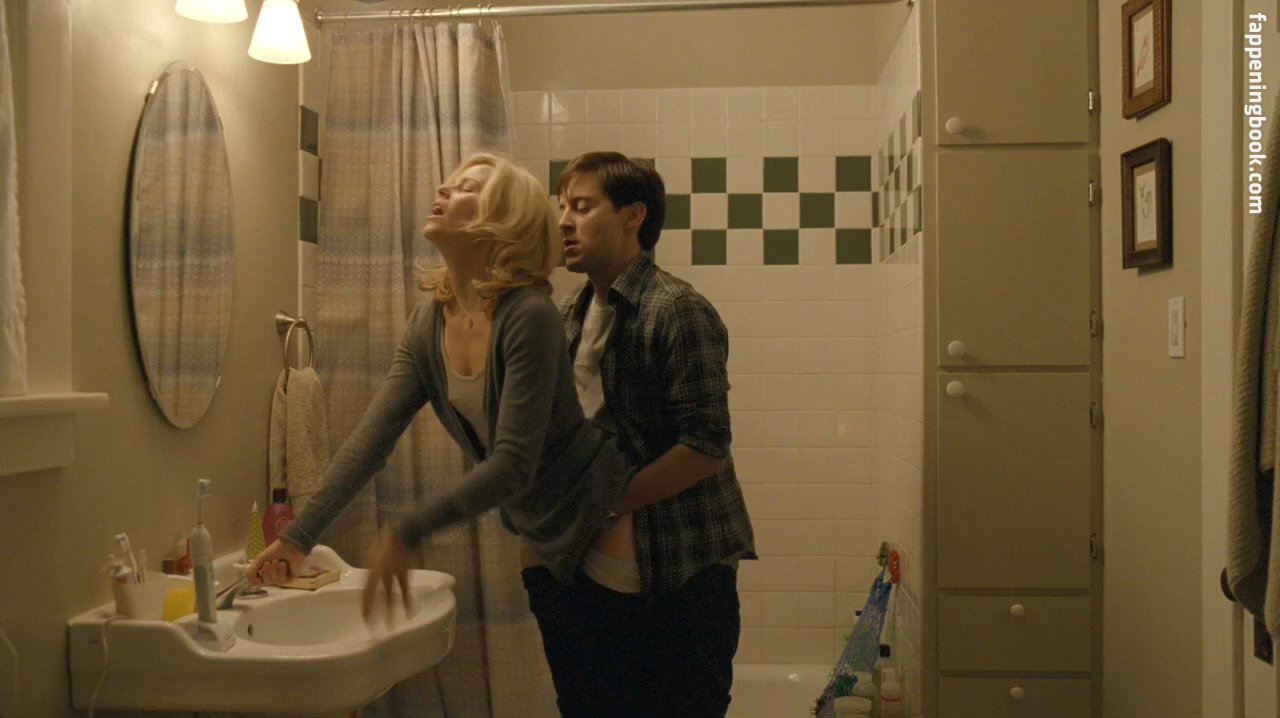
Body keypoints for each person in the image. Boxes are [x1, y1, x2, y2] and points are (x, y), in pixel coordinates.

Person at [246, 153, 649, 631]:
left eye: (467, 190)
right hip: (538, 529)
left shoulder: (529, 315)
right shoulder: (429, 323)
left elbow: (513, 463)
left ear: (504, 223)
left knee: (614, 676)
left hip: (602, 518)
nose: (443, 191)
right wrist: (298, 538)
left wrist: (407, 532)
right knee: (571, 677)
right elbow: (369, 442)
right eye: (450, 184)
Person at [524, 151, 756, 718]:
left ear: (633, 216)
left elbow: (705, 447)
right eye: (562, 207)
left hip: (679, 579)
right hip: (585, 581)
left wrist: (605, 503)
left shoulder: (676, 310)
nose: (563, 222)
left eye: (582, 207)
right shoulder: (570, 313)